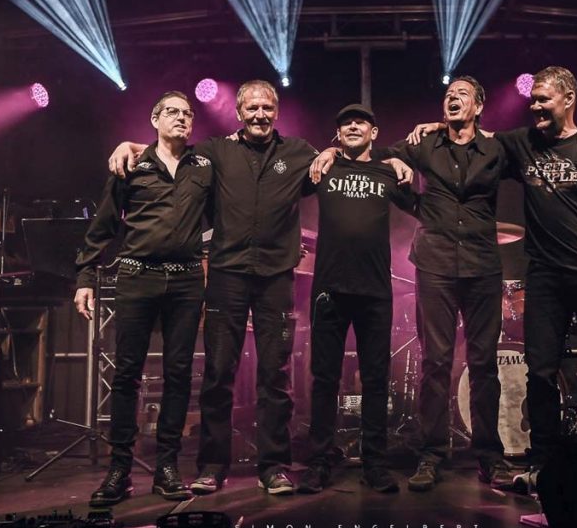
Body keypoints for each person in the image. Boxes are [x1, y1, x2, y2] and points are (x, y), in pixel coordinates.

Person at [108, 81, 412, 495]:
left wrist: (364, 157)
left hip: (275, 277)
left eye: (267, 107)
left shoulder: (300, 153)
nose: (259, 114)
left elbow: (345, 160)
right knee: (218, 374)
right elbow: (170, 149)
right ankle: (213, 466)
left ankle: (273, 466)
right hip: (227, 275)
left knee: (276, 376)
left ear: (276, 111)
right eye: (251, 107)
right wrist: (132, 144)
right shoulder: (215, 151)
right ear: (238, 112)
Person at [408, 66, 577, 478]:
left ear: (569, 98)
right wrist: (439, 123)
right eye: (533, 100)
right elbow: (468, 134)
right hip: (544, 277)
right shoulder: (520, 144)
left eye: (543, 99)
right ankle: (545, 463)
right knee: (540, 373)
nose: (534, 106)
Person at [312, 77, 513, 492]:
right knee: (435, 363)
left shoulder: (497, 148)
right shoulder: (423, 144)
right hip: (436, 263)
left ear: (479, 106)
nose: (452, 98)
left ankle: (490, 458)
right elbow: (367, 153)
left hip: (482, 264)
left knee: (483, 365)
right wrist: (332, 148)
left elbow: (539, 148)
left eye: (462, 94)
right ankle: (432, 455)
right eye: (448, 94)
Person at [75, 91, 210, 505]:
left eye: (188, 114)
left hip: (187, 280)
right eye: (172, 112)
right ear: (154, 119)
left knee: (178, 374)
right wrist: (84, 276)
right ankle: (120, 470)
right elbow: (102, 226)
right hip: (137, 277)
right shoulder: (131, 164)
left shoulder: (205, 166)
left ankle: (168, 466)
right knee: (127, 374)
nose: (181, 119)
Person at [298, 104, 416, 496]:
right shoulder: (324, 167)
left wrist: (404, 166)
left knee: (376, 381)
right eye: (344, 122)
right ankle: (318, 463)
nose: (351, 125)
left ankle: (375, 465)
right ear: (336, 135)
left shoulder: (386, 170)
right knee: (324, 380)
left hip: (375, 292)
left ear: (373, 131)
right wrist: (322, 154)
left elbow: (423, 206)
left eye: (360, 122)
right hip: (330, 289)